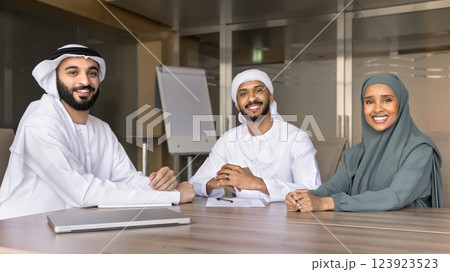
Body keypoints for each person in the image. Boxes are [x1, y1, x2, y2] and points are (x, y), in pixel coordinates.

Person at [0, 44, 194, 219]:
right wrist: (173, 196)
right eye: (73, 73)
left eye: (92, 73)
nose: (84, 81)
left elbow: (126, 177)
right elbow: (83, 192)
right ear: (54, 81)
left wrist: (159, 184)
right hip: (22, 228)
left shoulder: (101, 127)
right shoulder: (39, 125)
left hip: (72, 226)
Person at [285, 73, 443, 212]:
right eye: (369, 102)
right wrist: (303, 198)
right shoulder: (356, 153)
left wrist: (327, 203)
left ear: (400, 105)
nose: (377, 109)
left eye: (387, 100)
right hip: (363, 232)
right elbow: (333, 187)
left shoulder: (420, 150)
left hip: (409, 235)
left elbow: (395, 196)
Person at [189, 69, 321, 202]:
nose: (252, 98)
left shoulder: (296, 138)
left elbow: (313, 191)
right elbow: (194, 183)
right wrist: (213, 183)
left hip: (288, 219)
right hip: (241, 220)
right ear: (237, 104)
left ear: (270, 97)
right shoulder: (227, 140)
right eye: (243, 94)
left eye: (258, 90)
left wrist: (257, 183)